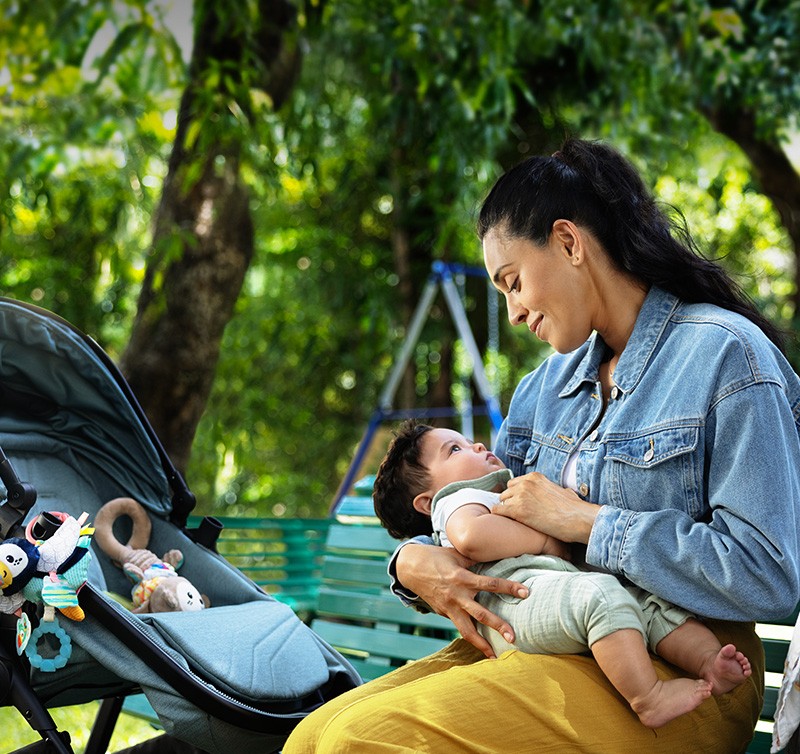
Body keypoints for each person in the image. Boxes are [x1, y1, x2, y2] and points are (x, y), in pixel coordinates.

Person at [284, 137, 800, 753]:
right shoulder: (544, 388)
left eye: (512, 282)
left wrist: (588, 523)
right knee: (314, 736)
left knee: (363, 743)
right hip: (544, 633)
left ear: (568, 243)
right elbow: (478, 508)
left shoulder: (726, 356)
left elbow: (769, 575)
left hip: (685, 664)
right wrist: (412, 562)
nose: (513, 310)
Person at [372, 421, 752, 728]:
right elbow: (471, 538)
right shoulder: (457, 499)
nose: (475, 447)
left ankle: (708, 662)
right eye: (454, 450)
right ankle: (648, 697)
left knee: (646, 605)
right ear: (426, 502)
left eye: (468, 441)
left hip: (553, 589)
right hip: (514, 601)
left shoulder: (495, 488)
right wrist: (543, 540)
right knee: (602, 598)